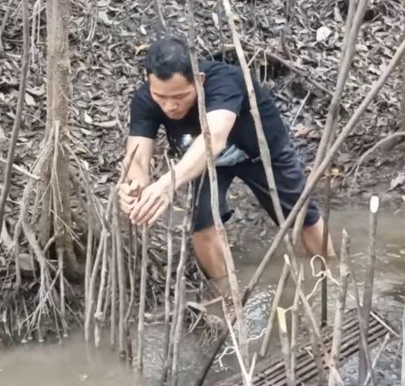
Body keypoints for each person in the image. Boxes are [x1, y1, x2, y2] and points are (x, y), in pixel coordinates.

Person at [118, 34, 333, 298]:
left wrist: (166, 183)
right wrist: (134, 185)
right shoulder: (145, 99)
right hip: (203, 164)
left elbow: (214, 138)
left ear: (200, 80)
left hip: (260, 153)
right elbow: (137, 157)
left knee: (301, 216)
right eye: (160, 97)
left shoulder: (225, 80)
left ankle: (330, 280)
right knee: (202, 223)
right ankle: (228, 298)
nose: (170, 105)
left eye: (180, 96)